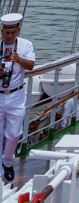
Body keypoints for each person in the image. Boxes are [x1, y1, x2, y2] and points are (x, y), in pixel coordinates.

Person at [0, 13, 35, 183]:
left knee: (14, 134)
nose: (10, 36)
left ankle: (7, 161)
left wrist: (19, 60)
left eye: (13, 32)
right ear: (2, 32)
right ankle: (1, 172)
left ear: (18, 30)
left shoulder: (25, 45)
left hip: (16, 95)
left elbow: (31, 65)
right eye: (7, 33)